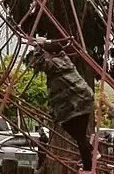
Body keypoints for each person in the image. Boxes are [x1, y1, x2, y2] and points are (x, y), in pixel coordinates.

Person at [29, 39, 94, 174]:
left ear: (50, 53)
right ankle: (91, 152)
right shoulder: (60, 59)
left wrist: (38, 46)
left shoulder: (57, 63)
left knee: (79, 136)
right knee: (71, 129)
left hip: (80, 102)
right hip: (79, 102)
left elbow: (40, 63)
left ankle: (88, 167)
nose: (44, 55)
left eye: (45, 53)